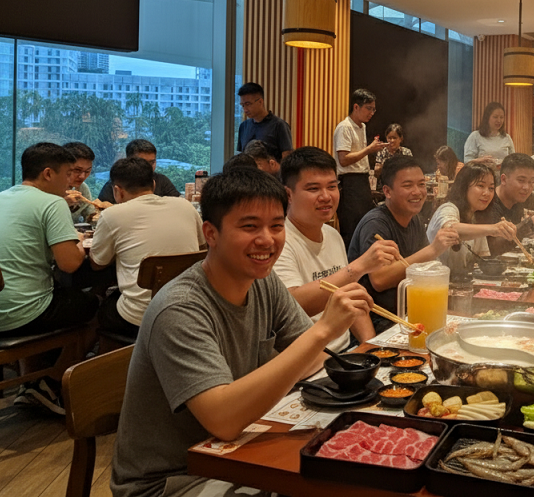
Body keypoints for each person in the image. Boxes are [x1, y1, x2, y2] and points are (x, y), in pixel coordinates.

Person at [111, 167, 374, 497]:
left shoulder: (262, 282)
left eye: (276, 226)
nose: (267, 239)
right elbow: (223, 420)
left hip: (238, 449)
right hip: (175, 479)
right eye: (249, 226)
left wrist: (320, 344)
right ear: (211, 233)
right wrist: (322, 330)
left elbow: (315, 359)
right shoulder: (180, 308)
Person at [0, 143, 98, 414]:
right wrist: (78, 240)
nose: (70, 182)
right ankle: (50, 383)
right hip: (22, 314)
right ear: (48, 174)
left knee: (48, 294)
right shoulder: (52, 203)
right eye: (67, 174)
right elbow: (70, 264)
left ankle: (30, 384)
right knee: (98, 307)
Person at [274, 147, 401, 350]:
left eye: (332, 186)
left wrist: (370, 348)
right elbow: (292, 305)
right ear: (288, 194)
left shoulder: (332, 235)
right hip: (308, 359)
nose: (326, 196)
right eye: (313, 189)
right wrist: (359, 267)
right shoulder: (279, 241)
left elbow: (353, 301)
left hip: (347, 351)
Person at [89, 157, 205, 340]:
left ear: (117, 191)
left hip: (138, 319)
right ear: (153, 184)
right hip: (189, 309)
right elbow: (201, 249)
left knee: (96, 307)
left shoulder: (112, 215)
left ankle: (105, 356)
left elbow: (97, 264)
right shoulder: (185, 206)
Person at [348, 156, 458, 332]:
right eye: (408, 186)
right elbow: (379, 280)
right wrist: (432, 250)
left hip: (408, 314)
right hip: (377, 321)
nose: (417, 192)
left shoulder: (414, 220)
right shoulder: (376, 223)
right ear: (387, 191)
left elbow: (425, 267)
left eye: (421, 184)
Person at [427, 162, 516, 275]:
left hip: (459, 283)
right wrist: (494, 229)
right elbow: (452, 229)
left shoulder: (476, 218)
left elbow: (480, 261)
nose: (487, 193)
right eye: (480, 186)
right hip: (433, 280)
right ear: (463, 187)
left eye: (491, 188)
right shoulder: (448, 208)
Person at [476, 153, 534, 256]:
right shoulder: (487, 202)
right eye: (521, 181)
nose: (526, 187)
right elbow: (491, 248)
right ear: (504, 179)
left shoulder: (517, 198)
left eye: (531, 182)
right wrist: (531, 223)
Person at [334, 88, 387, 246]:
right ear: (356, 107)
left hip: (362, 181)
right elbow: (343, 160)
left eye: (374, 109)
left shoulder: (362, 127)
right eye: (368, 108)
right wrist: (369, 149)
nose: (372, 113)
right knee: (351, 230)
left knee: (365, 226)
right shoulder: (345, 127)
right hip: (349, 183)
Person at [97, 139, 181, 204]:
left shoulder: (162, 180)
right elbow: (102, 208)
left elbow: (176, 203)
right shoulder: (117, 183)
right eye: (143, 162)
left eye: (152, 162)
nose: (148, 167)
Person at [236, 81, 293, 159]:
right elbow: (241, 155)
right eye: (242, 105)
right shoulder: (243, 126)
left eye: (248, 104)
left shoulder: (279, 125)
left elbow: (287, 156)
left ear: (260, 102)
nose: (245, 109)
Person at [63, 141, 110, 221]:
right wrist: (60, 204)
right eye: (77, 170)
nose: (82, 176)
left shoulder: (82, 188)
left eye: (87, 171)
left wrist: (103, 213)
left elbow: (90, 215)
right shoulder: (49, 189)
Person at [464, 102, 515, 166]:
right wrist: (480, 160)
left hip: (503, 172)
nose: (499, 120)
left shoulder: (506, 137)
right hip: (482, 172)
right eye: (495, 117)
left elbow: (514, 161)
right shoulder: (475, 136)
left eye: (501, 117)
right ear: (487, 118)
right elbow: (467, 161)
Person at [374, 123, 412, 189]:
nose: (392, 141)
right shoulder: (381, 152)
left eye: (394, 138)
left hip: (403, 186)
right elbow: (376, 173)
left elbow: (411, 171)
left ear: (400, 139)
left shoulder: (406, 152)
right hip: (385, 186)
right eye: (389, 138)